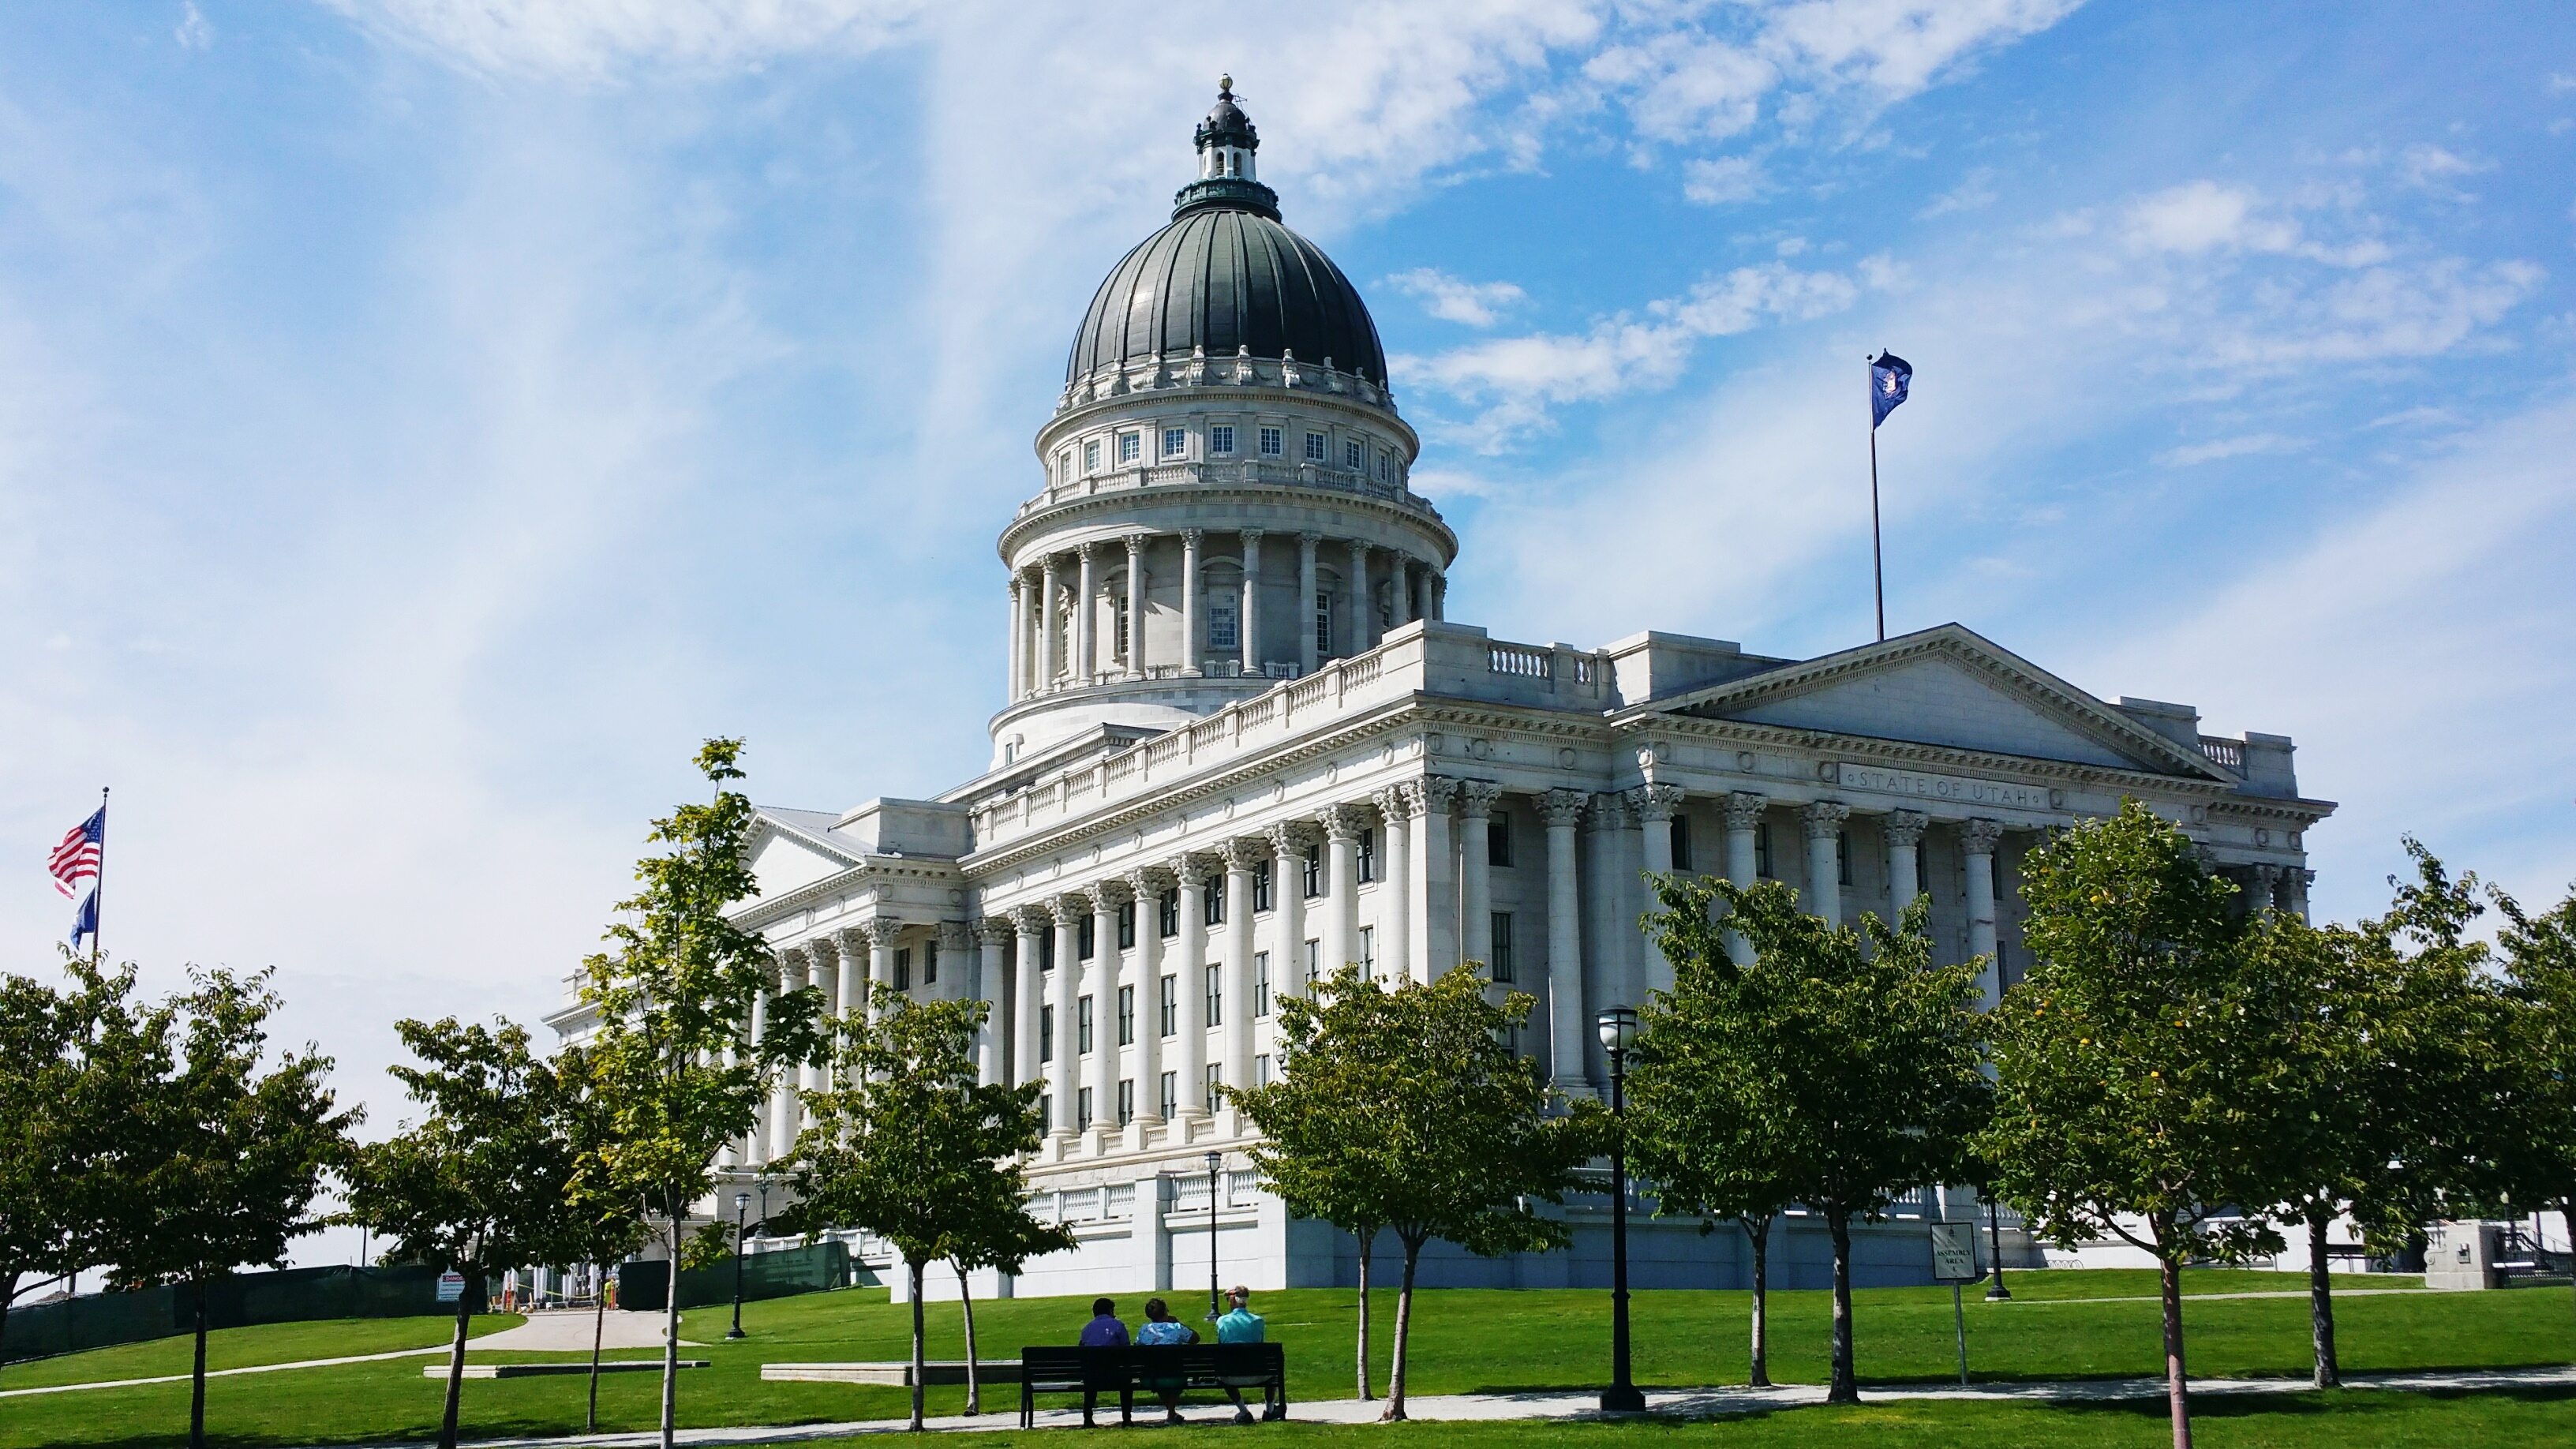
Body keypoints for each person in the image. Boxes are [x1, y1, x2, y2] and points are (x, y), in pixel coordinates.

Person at [1215, 1286, 1276, 1423]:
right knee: (1274, 1371)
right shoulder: (1258, 1321)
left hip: (1230, 1375)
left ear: (1233, 1300)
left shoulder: (1222, 1321)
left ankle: (1243, 1411)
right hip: (1259, 1374)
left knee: (1224, 1371)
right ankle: (1270, 1410)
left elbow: (1221, 1345)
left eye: (1228, 1299)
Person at [1133, 1297, 1198, 1422]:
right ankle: (1171, 1414)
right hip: (1175, 1377)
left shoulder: (1144, 1330)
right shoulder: (1176, 1328)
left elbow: (1137, 1347)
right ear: (1165, 1311)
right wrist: (1178, 1322)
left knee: (1159, 1373)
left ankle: (1171, 1413)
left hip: (1151, 1378)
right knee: (1173, 1374)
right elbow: (1195, 1339)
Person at [1076, 1298, 1129, 1426]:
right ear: (1110, 1311)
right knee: (1127, 1382)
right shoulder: (1118, 1326)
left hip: (1092, 1377)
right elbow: (1127, 1349)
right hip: (1115, 1375)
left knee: (1090, 1380)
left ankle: (1088, 1418)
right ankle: (1127, 1418)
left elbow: (1081, 1351)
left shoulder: (1087, 1329)